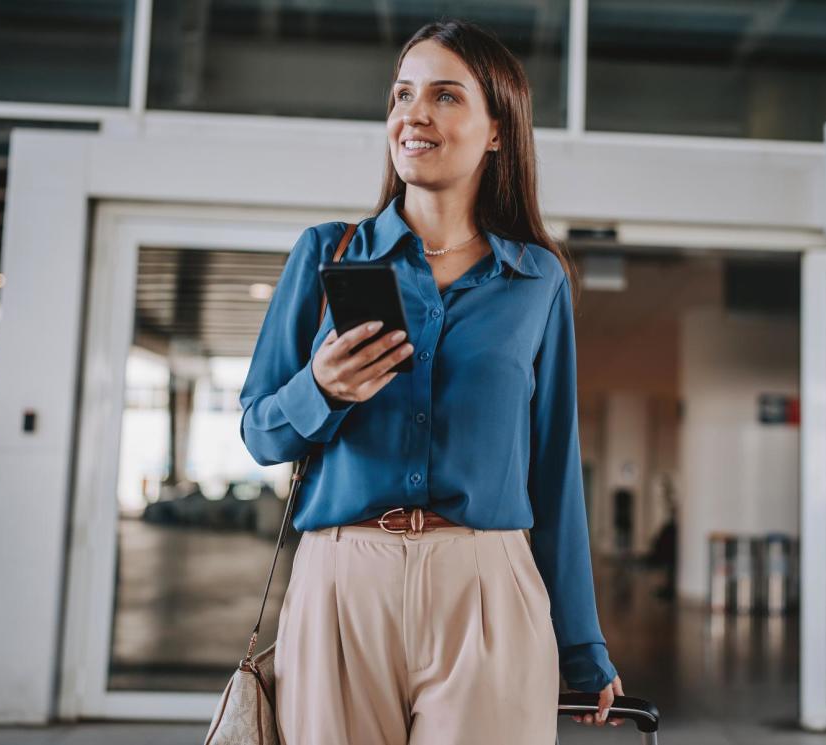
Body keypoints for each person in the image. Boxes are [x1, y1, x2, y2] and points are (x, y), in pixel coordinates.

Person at [238, 18, 625, 745]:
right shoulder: (327, 253)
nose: (412, 114)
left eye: (445, 96)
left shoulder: (537, 278)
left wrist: (582, 643)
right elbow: (260, 431)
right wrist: (319, 388)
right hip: (342, 582)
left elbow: (553, 468)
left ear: (497, 131)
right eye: (401, 96)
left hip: (486, 583)